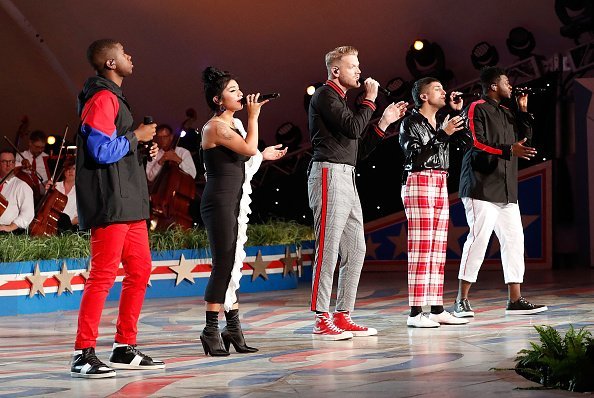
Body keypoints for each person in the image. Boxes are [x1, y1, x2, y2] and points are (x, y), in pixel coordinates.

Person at [70, 39, 164, 379]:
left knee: (140, 272)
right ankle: (83, 352)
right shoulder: (102, 98)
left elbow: (117, 149)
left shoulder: (115, 98)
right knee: (103, 275)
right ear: (110, 62)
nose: (130, 56)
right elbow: (100, 152)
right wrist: (136, 135)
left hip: (131, 203)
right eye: (125, 52)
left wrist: (140, 149)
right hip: (111, 203)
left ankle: (124, 347)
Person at [308, 46, 407, 340]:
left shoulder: (342, 102)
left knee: (356, 249)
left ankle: (343, 314)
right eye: (353, 66)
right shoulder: (325, 95)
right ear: (336, 71)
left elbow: (359, 150)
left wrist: (385, 122)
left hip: (346, 176)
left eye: (358, 65)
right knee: (328, 249)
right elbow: (353, 129)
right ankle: (321, 318)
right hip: (328, 174)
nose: (359, 71)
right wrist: (370, 101)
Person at [199, 66, 287, 356]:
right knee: (223, 262)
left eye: (239, 89)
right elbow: (249, 149)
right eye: (233, 91)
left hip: (232, 200)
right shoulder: (216, 127)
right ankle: (210, 330)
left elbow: (247, 156)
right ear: (218, 100)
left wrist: (264, 154)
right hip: (220, 201)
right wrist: (253, 117)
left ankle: (232, 328)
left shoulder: (232, 126)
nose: (240, 94)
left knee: (233, 262)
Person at [454, 66, 548, 318]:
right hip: (480, 185)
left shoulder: (507, 111)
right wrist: (508, 151)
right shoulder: (476, 108)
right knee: (478, 239)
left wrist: (524, 108)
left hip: (505, 187)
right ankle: (460, 300)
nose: (511, 85)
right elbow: (475, 142)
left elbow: (525, 139)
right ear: (493, 85)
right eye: (507, 81)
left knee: (515, 241)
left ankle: (515, 299)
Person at [399, 78, 469, 328]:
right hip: (419, 180)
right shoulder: (411, 122)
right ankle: (416, 312)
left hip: (440, 180)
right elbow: (415, 156)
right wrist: (444, 134)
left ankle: (437, 307)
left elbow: (469, 142)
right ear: (424, 96)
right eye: (438, 89)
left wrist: (459, 113)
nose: (445, 91)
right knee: (421, 246)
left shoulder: (442, 121)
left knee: (438, 247)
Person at [0, 149, 34, 233]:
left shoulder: (22, 186)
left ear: (15, 164)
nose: (8, 165)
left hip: (7, 231)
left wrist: (10, 227)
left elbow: (28, 214)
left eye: (11, 161)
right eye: (4, 161)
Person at [45, 158, 78, 231]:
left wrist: (68, 225)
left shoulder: (80, 190)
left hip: (70, 227)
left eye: (74, 168)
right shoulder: (55, 186)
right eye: (68, 169)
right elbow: (45, 207)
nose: (70, 171)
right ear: (64, 171)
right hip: (50, 223)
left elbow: (83, 215)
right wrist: (48, 192)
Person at [15, 130, 49, 196]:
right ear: (30, 143)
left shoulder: (47, 158)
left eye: (42, 147)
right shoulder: (19, 156)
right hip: (24, 193)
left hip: (44, 195)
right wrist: (21, 165)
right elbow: (9, 168)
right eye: (37, 147)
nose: (40, 150)